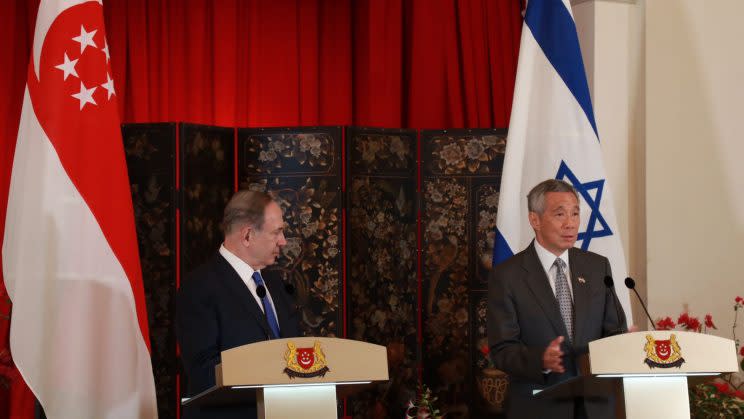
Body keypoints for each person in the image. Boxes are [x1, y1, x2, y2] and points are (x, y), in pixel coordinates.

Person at [488, 179, 627, 418]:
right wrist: (540, 359)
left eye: (575, 214)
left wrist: (624, 343)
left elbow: (614, 331)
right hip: (540, 406)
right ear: (535, 220)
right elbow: (502, 349)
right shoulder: (508, 275)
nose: (570, 224)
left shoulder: (597, 267)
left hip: (596, 407)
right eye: (560, 214)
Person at [176, 190, 302, 419]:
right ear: (247, 236)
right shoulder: (200, 287)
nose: (283, 241)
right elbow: (204, 372)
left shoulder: (276, 284)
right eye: (277, 232)